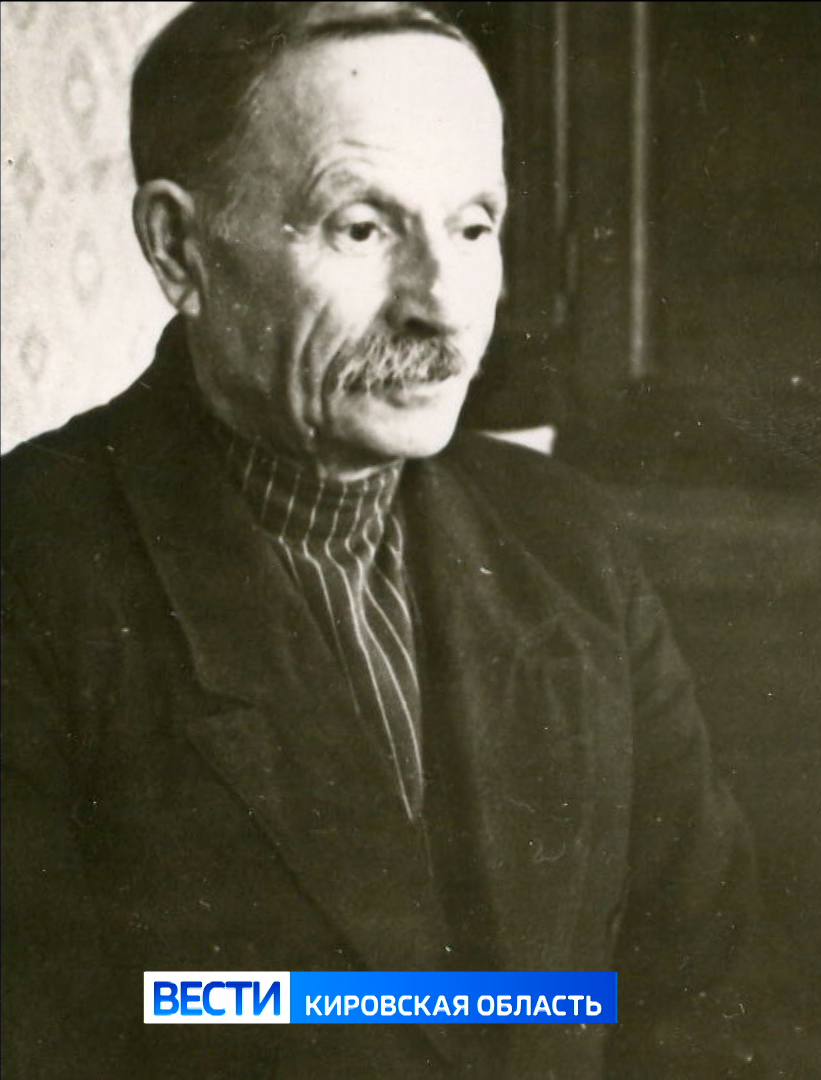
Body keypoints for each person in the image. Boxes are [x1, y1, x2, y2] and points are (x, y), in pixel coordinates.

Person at [0, 4, 756, 1077]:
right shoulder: (32, 568)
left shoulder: (568, 539)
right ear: (179, 249)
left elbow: (701, 991)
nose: (442, 307)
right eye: (363, 228)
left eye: (474, 227)